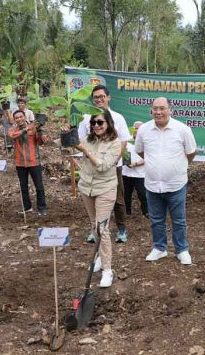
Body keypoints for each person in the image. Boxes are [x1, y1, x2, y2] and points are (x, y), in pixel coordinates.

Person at [135, 97, 196, 265]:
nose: (158, 112)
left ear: (170, 109)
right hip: (152, 184)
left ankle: (182, 250)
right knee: (156, 219)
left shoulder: (182, 129)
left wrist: (176, 167)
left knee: (179, 220)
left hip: (176, 184)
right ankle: (159, 248)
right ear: (151, 110)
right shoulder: (144, 130)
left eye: (162, 108)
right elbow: (140, 151)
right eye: (155, 109)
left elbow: (191, 153)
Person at [77, 85, 131, 243]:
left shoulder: (118, 117)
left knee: (118, 199)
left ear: (109, 97)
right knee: (91, 196)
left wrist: (111, 161)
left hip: (113, 165)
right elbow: (80, 141)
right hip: (91, 166)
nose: (99, 100)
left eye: (102, 96)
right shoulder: (87, 118)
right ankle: (95, 229)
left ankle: (121, 229)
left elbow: (123, 142)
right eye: (96, 97)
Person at [74, 111, 121, 288]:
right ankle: (100, 257)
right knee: (94, 224)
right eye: (93, 122)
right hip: (87, 186)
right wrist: (65, 135)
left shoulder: (115, 144)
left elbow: (103, 166)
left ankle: (108, 270)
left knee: (102, 228)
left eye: (100, 122)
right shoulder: (89, 139)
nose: (96, 125)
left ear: (108, 123)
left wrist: (84, 150)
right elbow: (66, 146)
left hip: (105, 188)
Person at [7, 110, 49, 217]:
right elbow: (12, 136)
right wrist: (27, 128)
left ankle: (42, 208)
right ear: (15, 120)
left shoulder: (33, 129)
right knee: (23, 187)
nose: (19, 119)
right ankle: (27, 207)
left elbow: (40, 142)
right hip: (20, 163)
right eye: (16, 118)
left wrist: (41, 135)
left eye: (21, 117)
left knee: (39, 186)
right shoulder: (13, 129)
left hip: (34, 161)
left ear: (24, 117)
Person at [122, 121, 148, 218]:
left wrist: (136, 164)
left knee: (143, 194)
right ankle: (127, 212)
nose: (137, 130)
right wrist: (127, 162)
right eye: (135, 128)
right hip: (126, 173)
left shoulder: (147, 141)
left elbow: (148, 156)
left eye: (139, 128)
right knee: (126, 194)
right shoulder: (127, 141)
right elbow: (124, 152)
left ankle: (146, 212)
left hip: (141, 174)